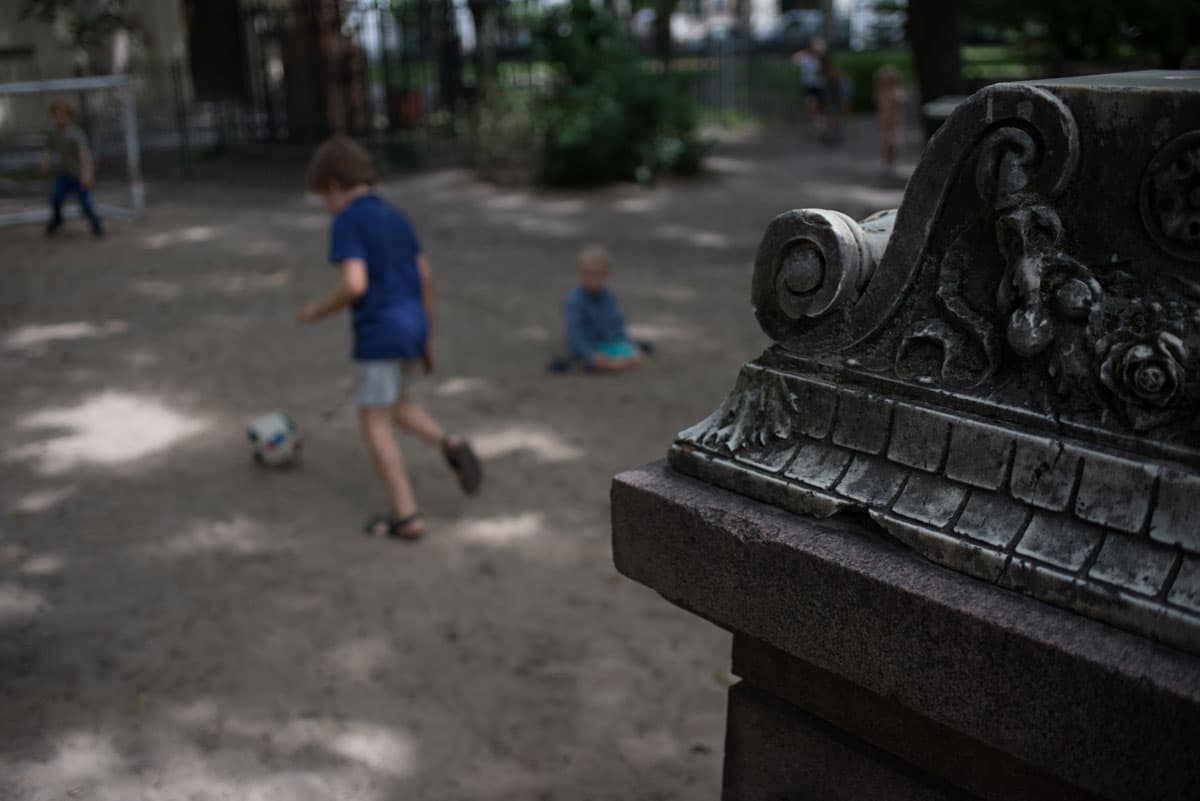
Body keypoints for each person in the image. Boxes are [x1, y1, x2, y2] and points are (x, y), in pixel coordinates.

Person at [298, 135, 481, 541]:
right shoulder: (395, 217)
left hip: (379, 332)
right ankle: (449, 443)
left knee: (373, 418)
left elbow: (354, 284)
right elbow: (426, 278)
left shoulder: (347, 220)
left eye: (323, 197)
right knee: (395, 404)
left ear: (332, 185)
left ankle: (406, 514)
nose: (327, 206)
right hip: (412, 325)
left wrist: (317, 311)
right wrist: (428, 337)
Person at [561, 244, 645, 372]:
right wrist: (590, 355)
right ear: (580, 272)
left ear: (606, 274)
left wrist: (626, 345)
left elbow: (617, 325)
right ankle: (604, 363)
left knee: (636, 356)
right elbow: (575, 334)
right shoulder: (574, 300)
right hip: (589, 347)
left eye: (597, 275)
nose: (592, 279)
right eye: (588, 274)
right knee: (599, 361)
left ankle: (615, 362)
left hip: (609, 345)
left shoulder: (608, 297)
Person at [42, 100, 103, 238]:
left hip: (77, 174)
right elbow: (49, 149)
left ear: (69, 116)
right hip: (64, 174)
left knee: (85, 203)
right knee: (56, 198)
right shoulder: (53, 132)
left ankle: (97, 227)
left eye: (63, 115)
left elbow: (84, 155)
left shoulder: (76, 133)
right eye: (57, 115)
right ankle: (56, 221)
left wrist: (87, 174)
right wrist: (46, 163)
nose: (60, 118)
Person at [876, 65, 908, 176]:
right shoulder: (883, 93)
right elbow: (882, 110)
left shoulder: (897, 93)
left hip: (894, 123)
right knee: (886, 143)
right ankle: (887, 163)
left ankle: (892, 163)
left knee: (893, 143)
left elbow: (899, 109)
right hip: (887, 123)